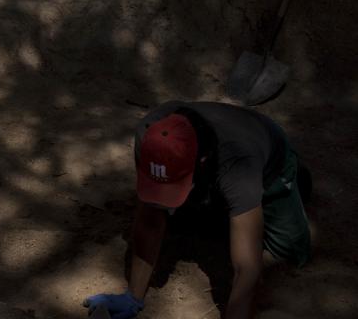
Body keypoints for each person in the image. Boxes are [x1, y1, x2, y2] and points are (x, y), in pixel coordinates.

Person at [84, 101, 311, 319]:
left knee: (289, 249)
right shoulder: (151, 138)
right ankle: (214, 202)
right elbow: (150, 219)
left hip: (269, 163)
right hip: (212, 166)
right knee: (188, 215)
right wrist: (133, 297)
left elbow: (247, 269)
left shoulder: (238, 164)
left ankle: (295, 179)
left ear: (202, 160)